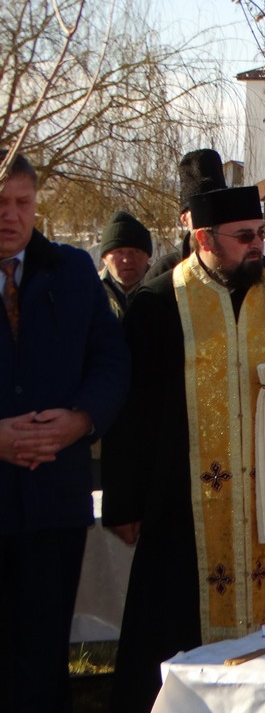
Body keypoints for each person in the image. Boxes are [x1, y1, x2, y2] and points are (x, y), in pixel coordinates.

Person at [101, 185, 265, 713]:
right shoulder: (157, 304)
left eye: (260, 234)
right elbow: (129, 412)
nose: (258, 245)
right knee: (171, 640)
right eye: (245, 236)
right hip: (180, 512)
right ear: (204, 238)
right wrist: (125, 501)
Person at [0, 152, 129, 713]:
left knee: (43, 660)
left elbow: (111, 362)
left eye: (22, 203)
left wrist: (80, 419)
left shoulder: (71, 270)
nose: (11, 215)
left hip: (54, 502)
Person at [145, 147, 228, 283]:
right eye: (199, 211)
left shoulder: (250, 267)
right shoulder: (163, 272)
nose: (209, 218)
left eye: (217, 209)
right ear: (184, 219)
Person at [98, 209, 153, 318]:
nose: (127, 259)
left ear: (148, 256)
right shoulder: (89, 292)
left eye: (136, 251)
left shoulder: (167, 292)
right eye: (119, 252)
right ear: (104, 258)